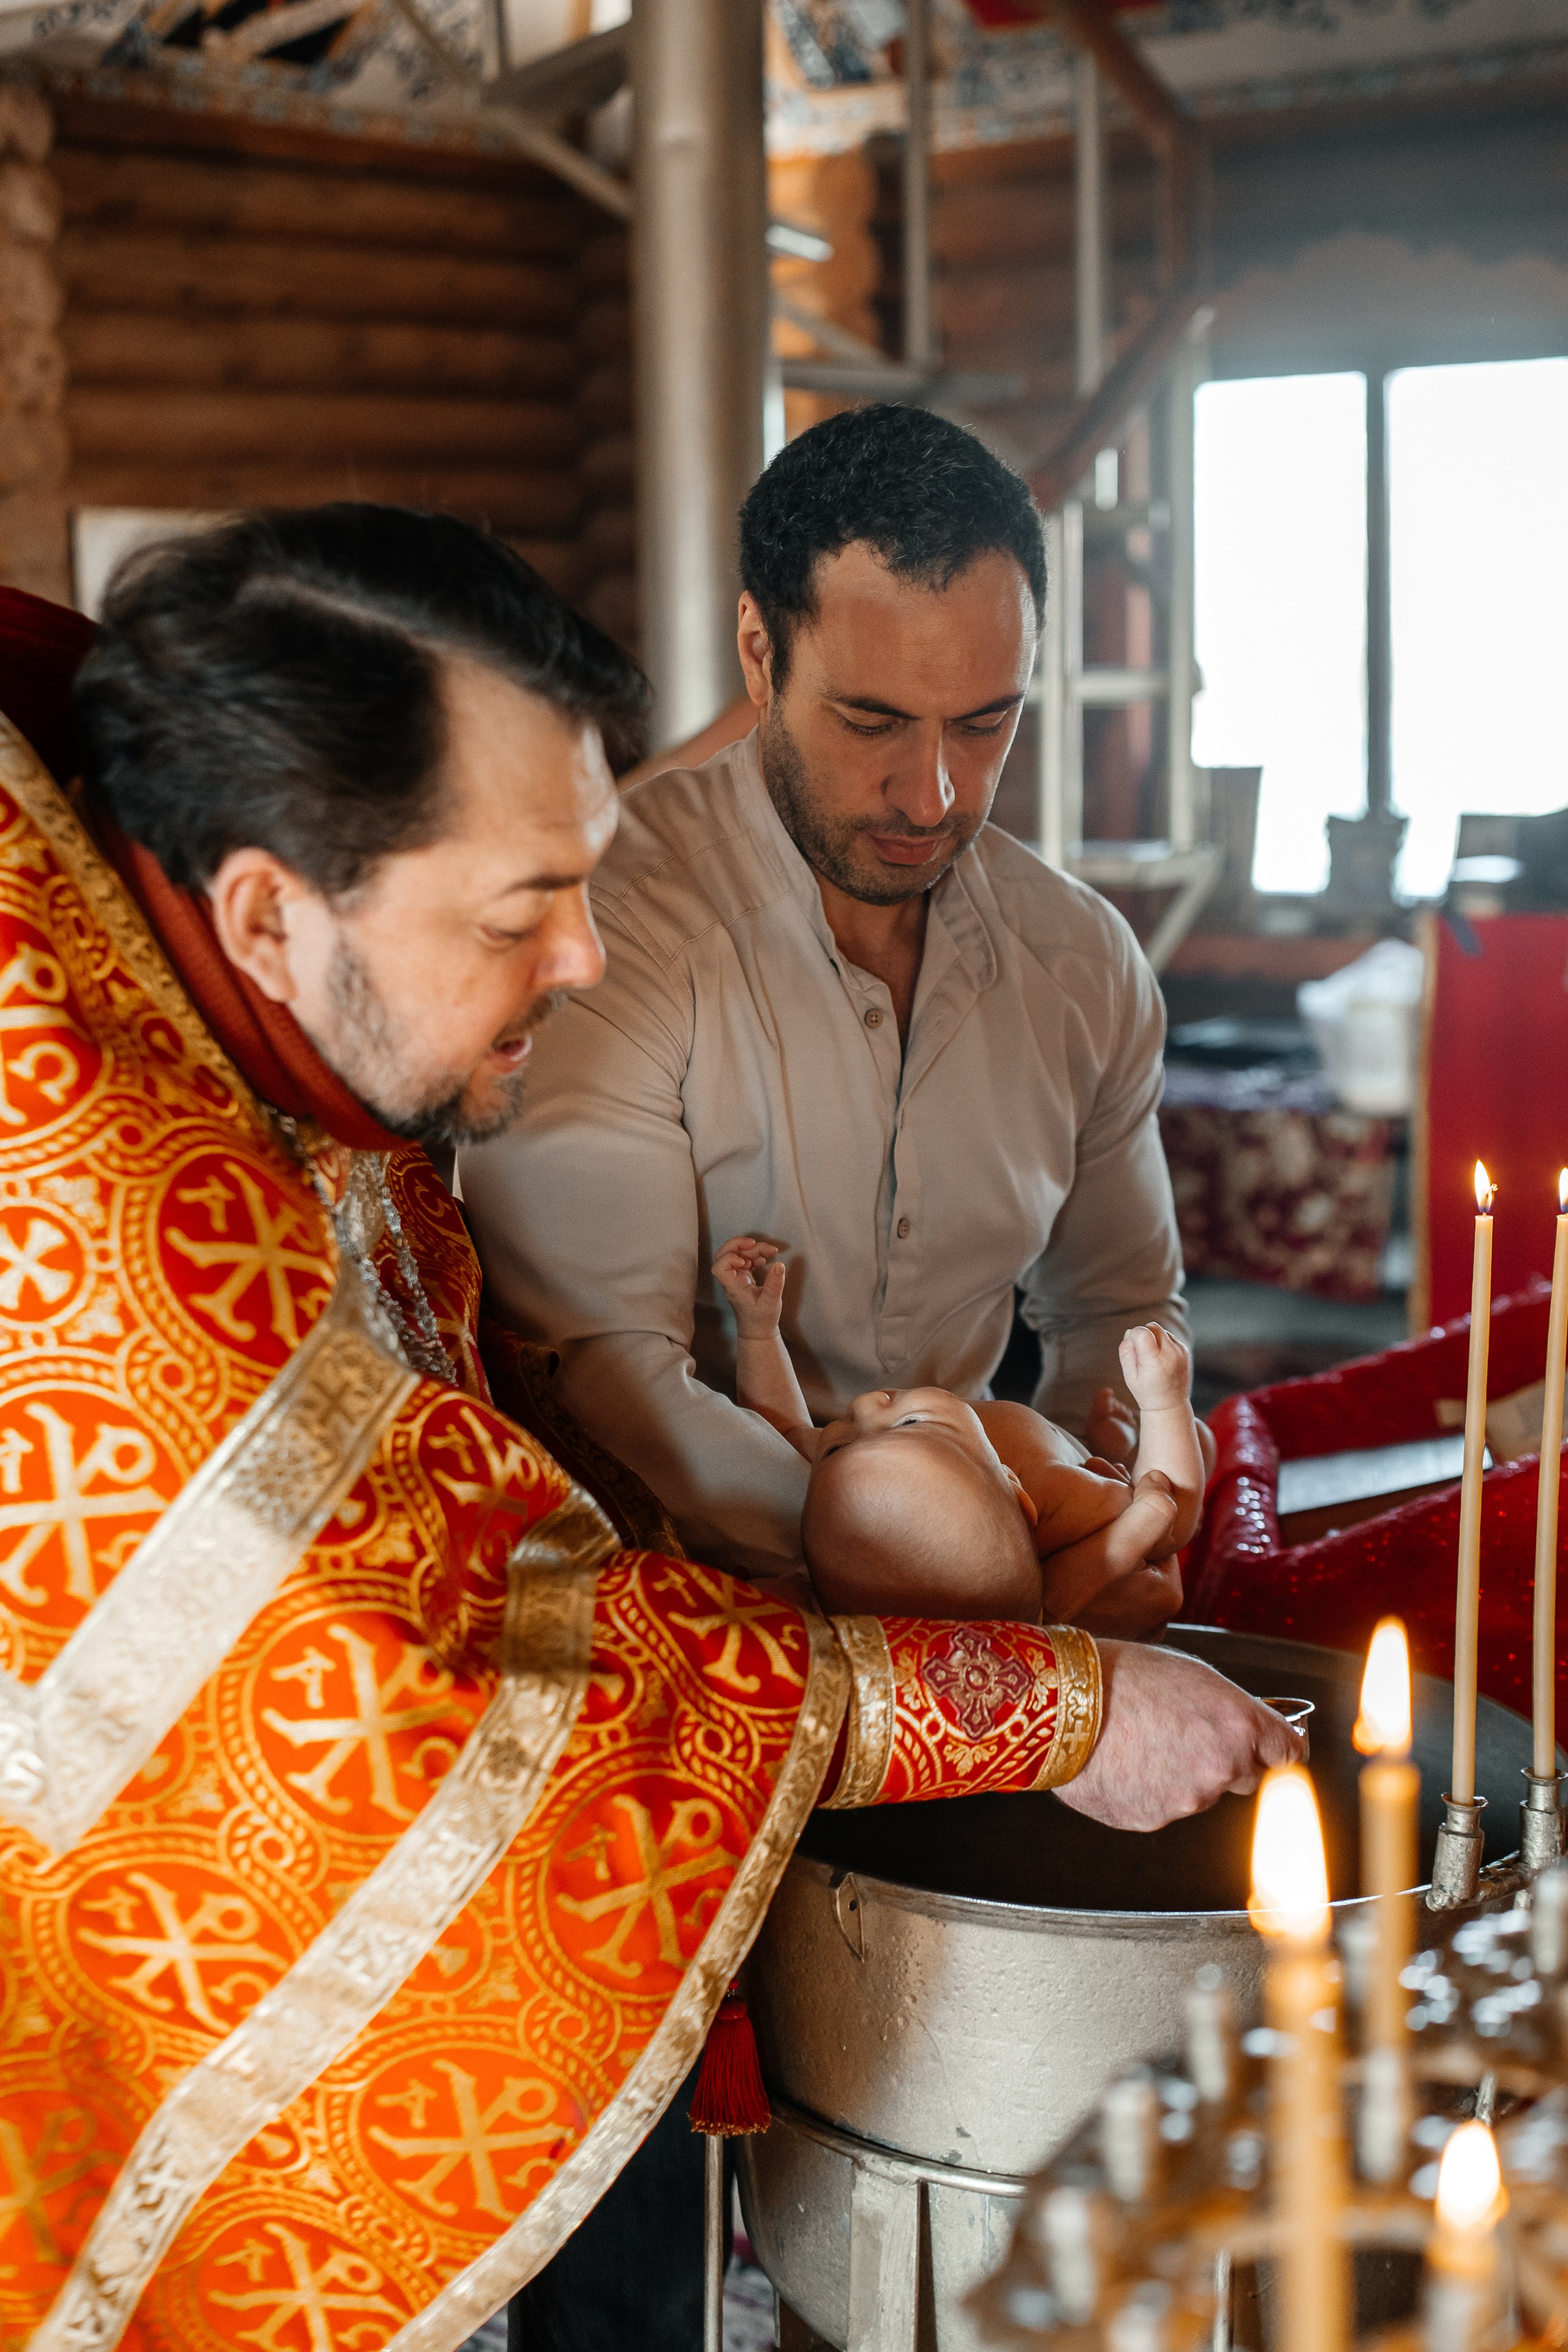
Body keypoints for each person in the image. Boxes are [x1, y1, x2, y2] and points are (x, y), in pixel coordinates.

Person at [0, 513, 1297, 2352]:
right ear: (276, 911)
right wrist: (1048, 1707)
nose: (591, 957)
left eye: (591, 880)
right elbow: (416, 1700)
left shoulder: (244, 1007)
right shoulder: (93, 1195)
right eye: (523, 906)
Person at [461, 404, 1195, 1585]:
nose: (934, 795)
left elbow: (1118, 1313)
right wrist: (964, 1598)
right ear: (760, 655)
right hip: (705, 1624)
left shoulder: (1085, 964)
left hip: (1010, 1574)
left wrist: (1102, 1521)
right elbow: (606, 1387)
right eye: (873, 722)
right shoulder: (601, 936)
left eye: (986, 722)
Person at [712, 1234, 1202, 1630]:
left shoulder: (850, 1481)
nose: (861, 1409)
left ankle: (1106, 1445)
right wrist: (1164, 1402)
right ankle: (1113, 1448)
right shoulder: (1058, 1501)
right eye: (907, 1422)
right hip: (1092, 1477)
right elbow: (1168, 1520)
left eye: (837, 1442)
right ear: (1015, 1490)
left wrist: (758, 1332)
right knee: (1200, 1440)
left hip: (1080, 1458)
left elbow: (784, 1430)